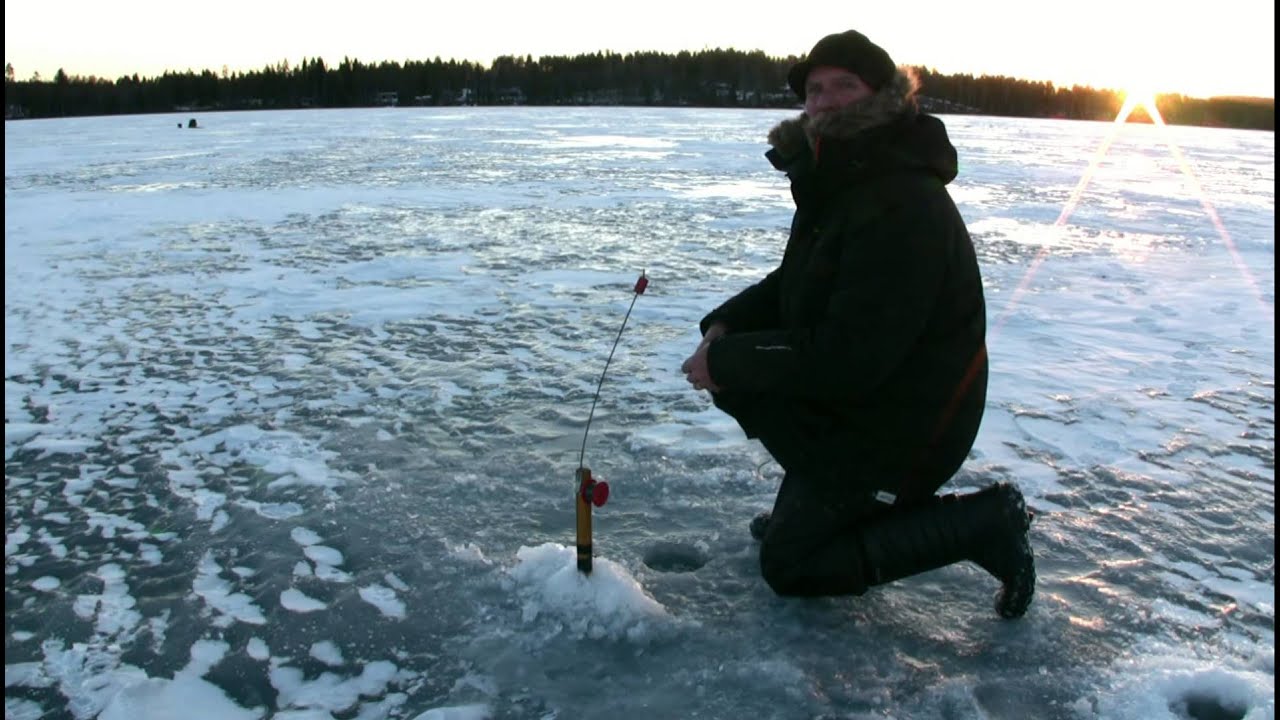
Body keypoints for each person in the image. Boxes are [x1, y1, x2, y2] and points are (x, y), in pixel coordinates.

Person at [680, 30, 1035, 618]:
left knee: (791, 565)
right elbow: (798, 281)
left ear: (884, 97)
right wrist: (726, 325)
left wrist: (727, 361)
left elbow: (849, 358)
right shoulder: (844, 181)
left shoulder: (901, 201)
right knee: (746, 375)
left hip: (910, 424)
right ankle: (825, 505)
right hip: (875, 399)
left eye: (845, 86)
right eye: (815, 89)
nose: (824, 100)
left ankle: (982, 524)